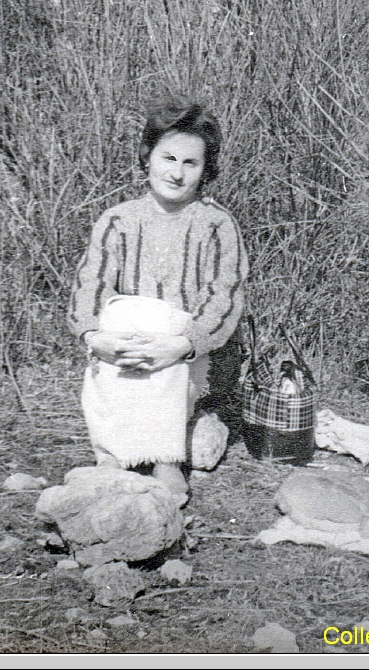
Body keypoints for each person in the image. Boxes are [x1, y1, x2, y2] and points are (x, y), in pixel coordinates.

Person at [69, 101, 248, 496]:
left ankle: (166, 458)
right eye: (168, 158)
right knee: (119, 315)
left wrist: (178, 348)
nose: (176, 172)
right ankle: (111, 458)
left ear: (205, 171)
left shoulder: (216, 224)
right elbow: (90, 288)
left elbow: (224, 301)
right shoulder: (118, 220)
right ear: (147, 157)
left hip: (187, 357)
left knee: (166, 321)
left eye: (190, 163)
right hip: (127, 352)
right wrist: (97, 340)